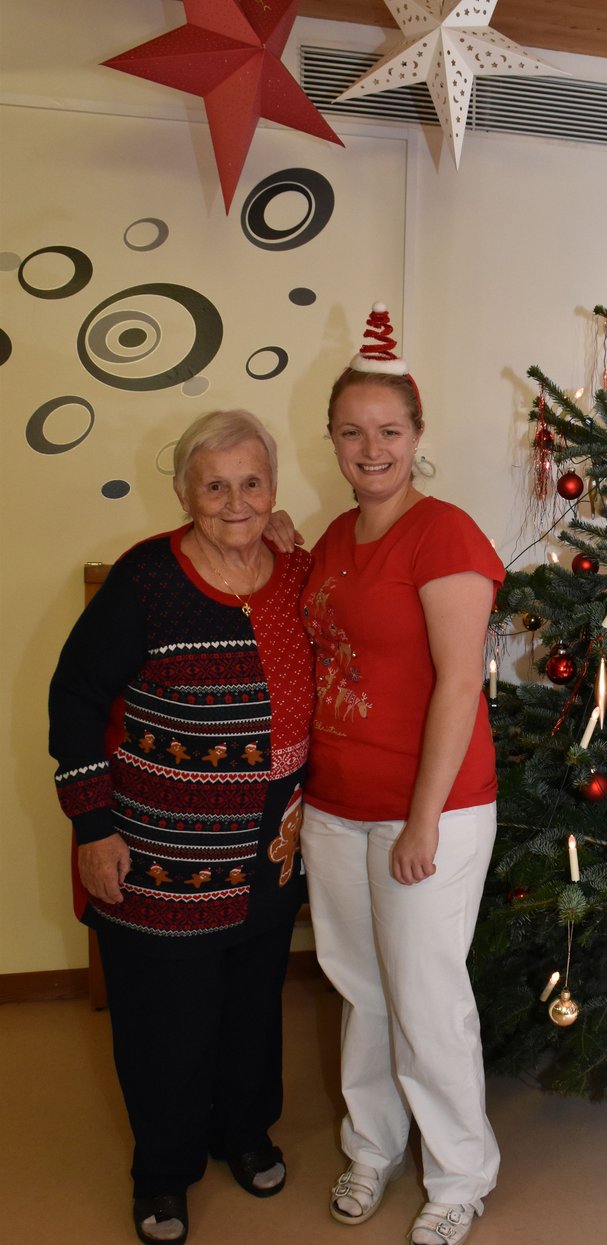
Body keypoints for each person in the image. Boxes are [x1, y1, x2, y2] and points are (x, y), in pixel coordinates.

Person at [49, 410, 315, 1245]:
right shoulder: (147, 578)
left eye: (252, 482)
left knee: (251, 1005)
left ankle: (243, 1131)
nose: (236, 501)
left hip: (270, 843)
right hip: (161, 850)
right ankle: (162, 1173)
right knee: (165, 1020)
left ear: (273, 487)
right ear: (184, 492)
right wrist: (93, 827)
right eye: (215, 485)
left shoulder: (294, 569)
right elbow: (74, 700)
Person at [298, 304, 504, 1245]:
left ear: (417, 436)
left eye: (388, 430)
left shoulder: (443, 534)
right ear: (333, 440)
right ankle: (372, 1146)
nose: (370, 448)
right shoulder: (334, 537)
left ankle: (459, 1174)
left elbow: (459, 683)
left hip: (431, 810)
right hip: (337, 806)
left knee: (425, 996)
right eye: (352, 431)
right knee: (362, 988)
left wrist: (422, 820)